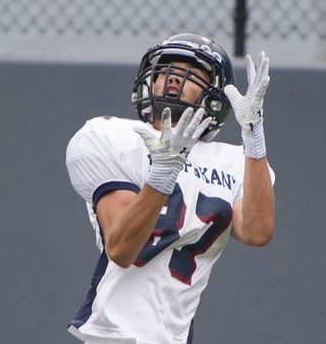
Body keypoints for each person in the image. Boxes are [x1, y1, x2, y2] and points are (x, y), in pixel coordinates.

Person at [65, 33, 275, 344]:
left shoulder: (232, 160)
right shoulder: (114, 136)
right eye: (167, 67)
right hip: (113, 334)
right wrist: (163, 173)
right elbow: (122, 248)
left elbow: (258, 232)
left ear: (214, 95)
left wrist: (253, 135)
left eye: (191, 69)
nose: (173, 75)